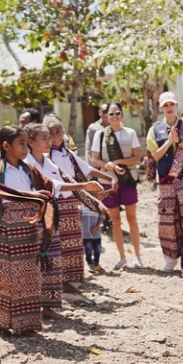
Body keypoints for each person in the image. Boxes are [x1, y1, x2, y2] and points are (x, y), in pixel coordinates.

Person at [23, 123, 104, 317]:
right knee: (37, 262)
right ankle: (33, 308)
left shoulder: (49, 163)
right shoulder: (25, 164)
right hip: (33, 219)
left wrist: (88, 193)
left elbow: (61, 183)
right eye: (44, 138)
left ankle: (48, 307)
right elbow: (50, 186)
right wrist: (84, 186)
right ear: (31, 142)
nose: (49, 141)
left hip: (51, 217)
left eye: (49, 137)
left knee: (52, 259)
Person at [0, 126, 56, 335]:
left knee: (30, 276)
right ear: (6, 146)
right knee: (9, 277)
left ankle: (26, 325)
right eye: (21, 143)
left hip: (29, 229)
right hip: (7, 232)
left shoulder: (28, 169)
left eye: (27, 142)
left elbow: (48, 186)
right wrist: (32, 196)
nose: (26, 147)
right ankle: (1, 322)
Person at [43, 116, 110, 292]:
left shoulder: (69, 154)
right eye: (51, 133)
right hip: (56, 203)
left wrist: (108, 176)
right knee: (59, 243)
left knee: (73, 241)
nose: (55, 135)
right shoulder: (45, 157)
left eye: (58, 131)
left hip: (71, 203)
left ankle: (73, 278)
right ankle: (61, 281)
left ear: (64, 132)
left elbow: (86, 169)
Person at [147, 92, 183, 277]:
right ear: (161, 108)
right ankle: (170, 259)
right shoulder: (155, 129)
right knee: (167, 220)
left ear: (176, 106)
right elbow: (155, 156)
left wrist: (180, 142)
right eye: (165, 105)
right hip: (165, 180)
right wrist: (169, 141)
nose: (169, 108)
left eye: (172, 104)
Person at [90, 101, 144, 269]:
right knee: (115, 220)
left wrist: (119, 161)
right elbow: (94, 159)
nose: (114, 116)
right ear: (106, 116)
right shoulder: (100, 136)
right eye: (111, 113)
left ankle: (137, 256)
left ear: (122, 115)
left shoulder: (130, 133)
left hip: (128, 180)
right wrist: (110, 166)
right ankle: (122, 257)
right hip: (108, 182)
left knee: (132, 219)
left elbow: (136, 158)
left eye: (117, 113)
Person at [80, 204, 104, 273]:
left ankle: (96, 262)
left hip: (96, 234)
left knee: (98, 250)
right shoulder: (81, 207)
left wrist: (96, 227)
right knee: (88, 250)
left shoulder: (98, 207)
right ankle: (90, 263)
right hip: (86, 234)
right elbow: (79, 218)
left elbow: (102, 217)